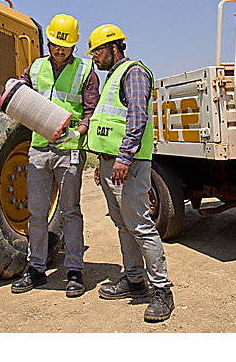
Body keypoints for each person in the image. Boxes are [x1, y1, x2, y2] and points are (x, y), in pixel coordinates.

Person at [86, 23, 174, 323]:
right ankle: (135, 280)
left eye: (97, 51)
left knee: (140, 226)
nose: (94, 59)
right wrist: (103, 162)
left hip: (130, 164)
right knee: (123, 225)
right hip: (112, 163)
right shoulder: (111, 77)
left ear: (114, 48)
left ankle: (162, 290)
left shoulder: (133, 72)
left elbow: (138, 115)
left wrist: (123, 157)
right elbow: (109, 123)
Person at [11, 13, 100, 297]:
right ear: (48, 41)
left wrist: (80, 132)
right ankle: (36, 268)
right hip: (39, 148)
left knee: (70, 212)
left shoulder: (86, 71)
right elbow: (20, 92)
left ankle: (74, 270)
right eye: (54, 44)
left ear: (73, 46)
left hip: (69, 150)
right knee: (37, 213)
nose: (59, 50)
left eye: (64, 46)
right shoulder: (36, 67)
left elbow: (91, 111)